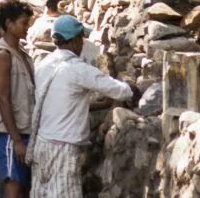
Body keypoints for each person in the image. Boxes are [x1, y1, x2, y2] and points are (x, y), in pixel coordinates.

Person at [32, 16, 135, 198]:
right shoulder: (77, 69)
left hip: (42, 144)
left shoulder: (44, 64)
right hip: (63, 148)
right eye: (81, 39)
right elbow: (119, 91)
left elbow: (59, 102)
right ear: (75, 40)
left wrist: (94, 106)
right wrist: (132, 87)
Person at [0, 0, 37, 198]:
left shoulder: (23, 55)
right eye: (23, 22)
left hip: (25, 130)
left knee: (24, 186)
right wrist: (16, 140)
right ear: (9, 24)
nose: (27, 27)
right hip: (10, 134)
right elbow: (2, 99)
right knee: (13, 184)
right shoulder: (3, 55)